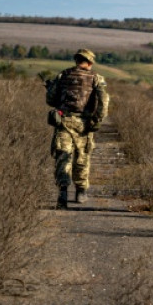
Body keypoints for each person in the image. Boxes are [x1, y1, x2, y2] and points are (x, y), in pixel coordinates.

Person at [46, 48, 110, 209]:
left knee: (63, 157)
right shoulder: (96, 78)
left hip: (64, 122)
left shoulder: (63, 75)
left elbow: (51, 99)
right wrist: (97, 120)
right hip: (85, 124)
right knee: (82, 157)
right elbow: (104, 101)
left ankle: (62, 193)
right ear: (89, 62)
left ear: (76, 60)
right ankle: (81, 191)